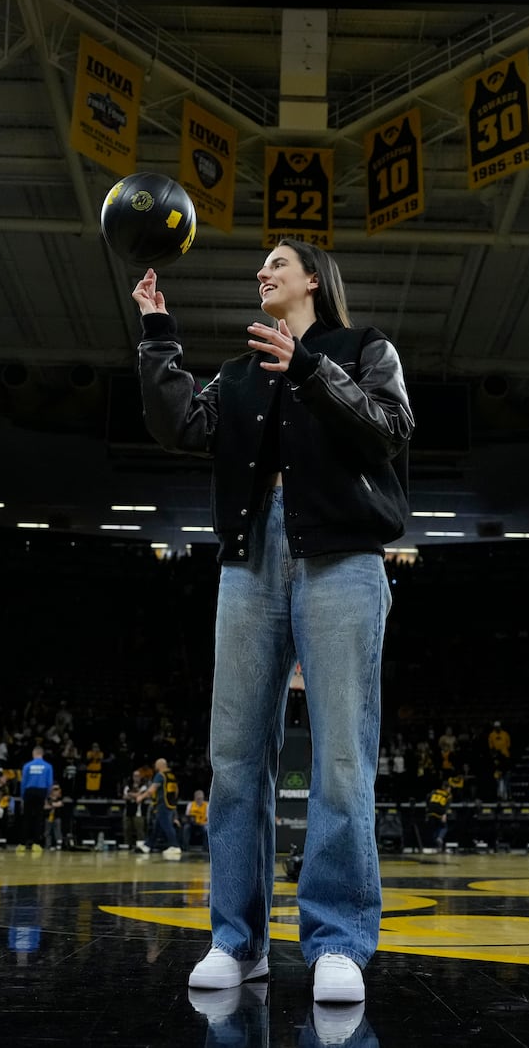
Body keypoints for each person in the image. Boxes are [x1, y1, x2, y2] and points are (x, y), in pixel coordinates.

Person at [135, 238, 412, 1004]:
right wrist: (159, 336)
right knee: (232, 757)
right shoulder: (237, 370)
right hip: (250, 556)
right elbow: (181, 425)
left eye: (278, 263)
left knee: (343, 758)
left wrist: (312, 370)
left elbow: (390, 426)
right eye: (261, 265)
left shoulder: (362, 348)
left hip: (342, 557)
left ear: (314, 279)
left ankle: (337, 942)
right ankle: (237, 938)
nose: (264, 271)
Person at [142, 756, 182, 858]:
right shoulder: (172, 776)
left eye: (156, 764)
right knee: (158, 826)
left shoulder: (160, 775)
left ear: (160, 765)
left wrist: (141, 797)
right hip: (171, 804)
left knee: (167, 825)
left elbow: (151, 790)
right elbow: (176, 791)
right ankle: (148, 845)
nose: (155, 766)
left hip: (163, 804)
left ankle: (175, 846)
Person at [18, 744, 54, 852]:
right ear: (42, 754)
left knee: (26, 818)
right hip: (41, 791)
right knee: (39, 818)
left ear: (34, 754)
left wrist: (22, 796)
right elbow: (50, 783)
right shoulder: (48, 766)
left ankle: (22, 844)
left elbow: (23, 782)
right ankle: (36, 844)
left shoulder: (27, 766)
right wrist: (47, 796)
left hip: (29, 791)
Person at [123, 768, 150, 853]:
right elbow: (125, 796)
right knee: (127, 828)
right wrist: (135, 795)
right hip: (128, 810)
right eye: (134, 776)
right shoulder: (128, 785)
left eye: (138, 776)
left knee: (139, 829)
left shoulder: (144, 786)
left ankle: (140, 846)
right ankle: (128, 845)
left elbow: (141, 795)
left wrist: (131, 794)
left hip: (139, 811)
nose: (136, 778)